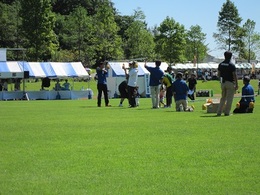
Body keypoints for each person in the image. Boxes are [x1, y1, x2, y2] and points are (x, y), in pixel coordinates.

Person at [216, 51, 238, 116]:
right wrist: (236, 84)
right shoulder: (231, 65)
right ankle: (227, 112)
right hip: (230, 83)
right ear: (231, 56)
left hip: (223, 83)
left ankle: (219, 112)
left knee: (223, 98)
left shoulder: (221, 64)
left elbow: (218, 74)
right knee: (229, 99)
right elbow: (234, 75)